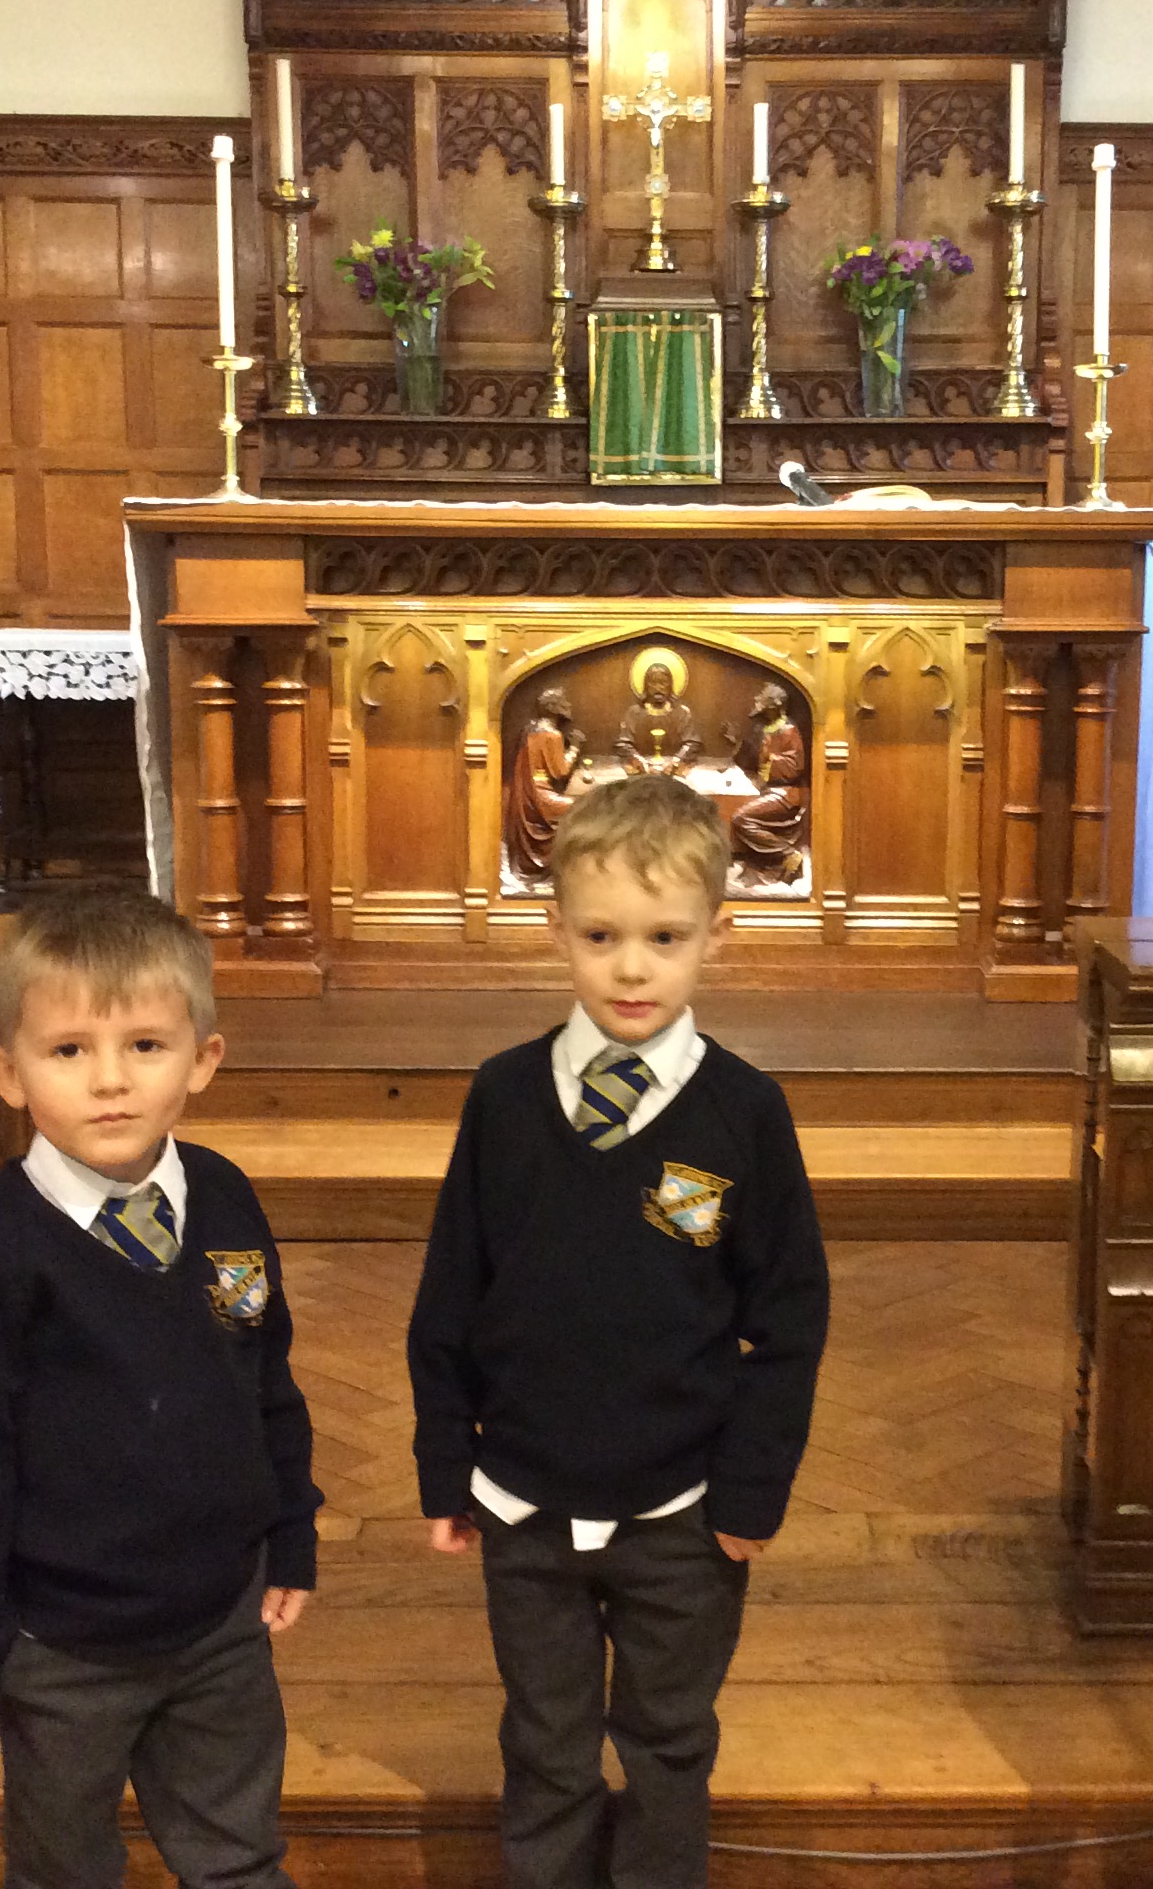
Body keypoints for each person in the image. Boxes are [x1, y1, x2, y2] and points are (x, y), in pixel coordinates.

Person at [408, 773, 830, 1889]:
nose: (632, 968)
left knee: (668, 1737)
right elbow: (449, 1293)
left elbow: (790, 1316)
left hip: (683, 1512)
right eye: (601, 936)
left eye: (664, 937)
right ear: (556, 929)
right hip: (525, 1503)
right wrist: (445, 1459)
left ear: (716, 935)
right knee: (544, 1738)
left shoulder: (745, 1112)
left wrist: (752, 1489)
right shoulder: (503, 1098)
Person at [0, 886, 321, 1889]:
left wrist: (292, 1531)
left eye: (145, 1045)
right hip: (62, 1644)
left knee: (238, 1857)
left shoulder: (224, 1198)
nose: (110, 1080)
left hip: (220, 1621)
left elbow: (264, 1375)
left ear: (203, 1059)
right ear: (8, 1073)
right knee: (64, 1870)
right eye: (68, 1050)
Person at [727, 682, 808, 887]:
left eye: (762, 696)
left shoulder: (788, 730)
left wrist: (770, 759)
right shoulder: (762, 729)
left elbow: (795, 767)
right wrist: (737, 743)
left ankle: (788, 854)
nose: (757, 700)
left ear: (775, 704)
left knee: (741, 818)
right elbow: (751, 761)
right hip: (765, 788)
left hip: (786, 792)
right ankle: (755, 865)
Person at [506, 685, 585, 887]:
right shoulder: (552, 735)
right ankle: (573, 870)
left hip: (525, 796)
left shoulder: (529, 730)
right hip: (540, 797)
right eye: (563, 702)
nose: (568, 705)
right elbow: (560, 771)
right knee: (583, 807)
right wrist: (575, 747)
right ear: (553, 708)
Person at [616, 658, 701, 777]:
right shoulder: (634, 712)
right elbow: (623, 743)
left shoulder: (682, 712)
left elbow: (692, 742)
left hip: (673, 767)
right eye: (653, 683)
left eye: (663, 683)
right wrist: (637, 759)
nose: (658, 688)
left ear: (670, 685)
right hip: (642, 768)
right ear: (646, 685)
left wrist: (676, 761)